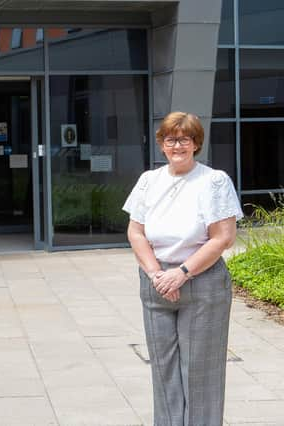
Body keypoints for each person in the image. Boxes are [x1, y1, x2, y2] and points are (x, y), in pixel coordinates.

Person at [123, 112, 243, 426]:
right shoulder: (149, 181)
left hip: (202, 284)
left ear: (196, 144)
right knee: (163, 372)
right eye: (171, 139)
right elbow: (135, 232)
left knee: (201, 373)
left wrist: (183, 272)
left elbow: (223, 238)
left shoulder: (214, 181)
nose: (178, 145)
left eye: (185, 139)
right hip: (157, 282)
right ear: (162, 145)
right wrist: (156, 274)